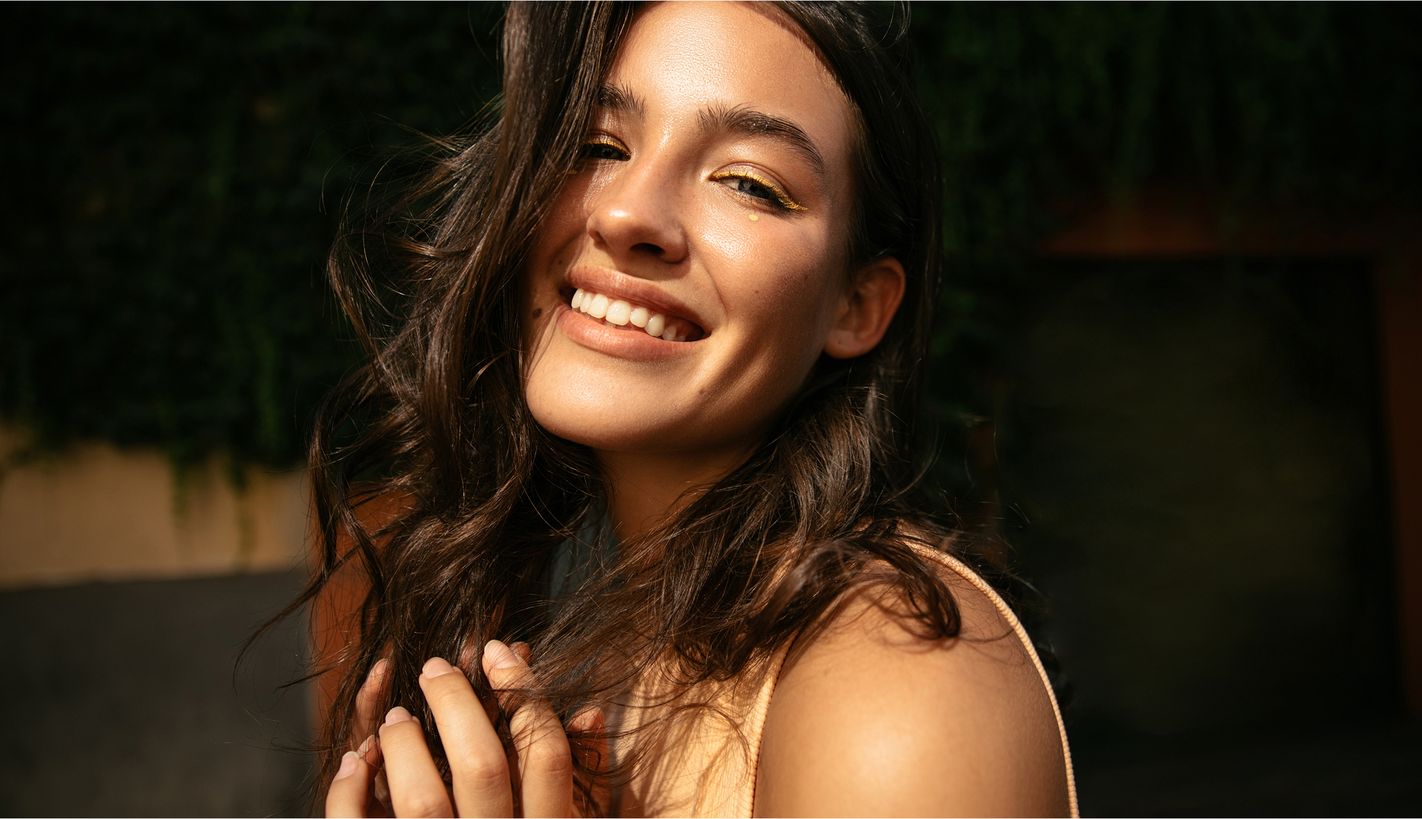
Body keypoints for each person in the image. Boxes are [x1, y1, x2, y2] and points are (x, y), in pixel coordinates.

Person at [299, 2, 1078, 815]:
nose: (628, 213)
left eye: (749, 183)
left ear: (856, 303)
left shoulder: (899, 682)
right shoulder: (561, 623)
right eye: (598, 144)